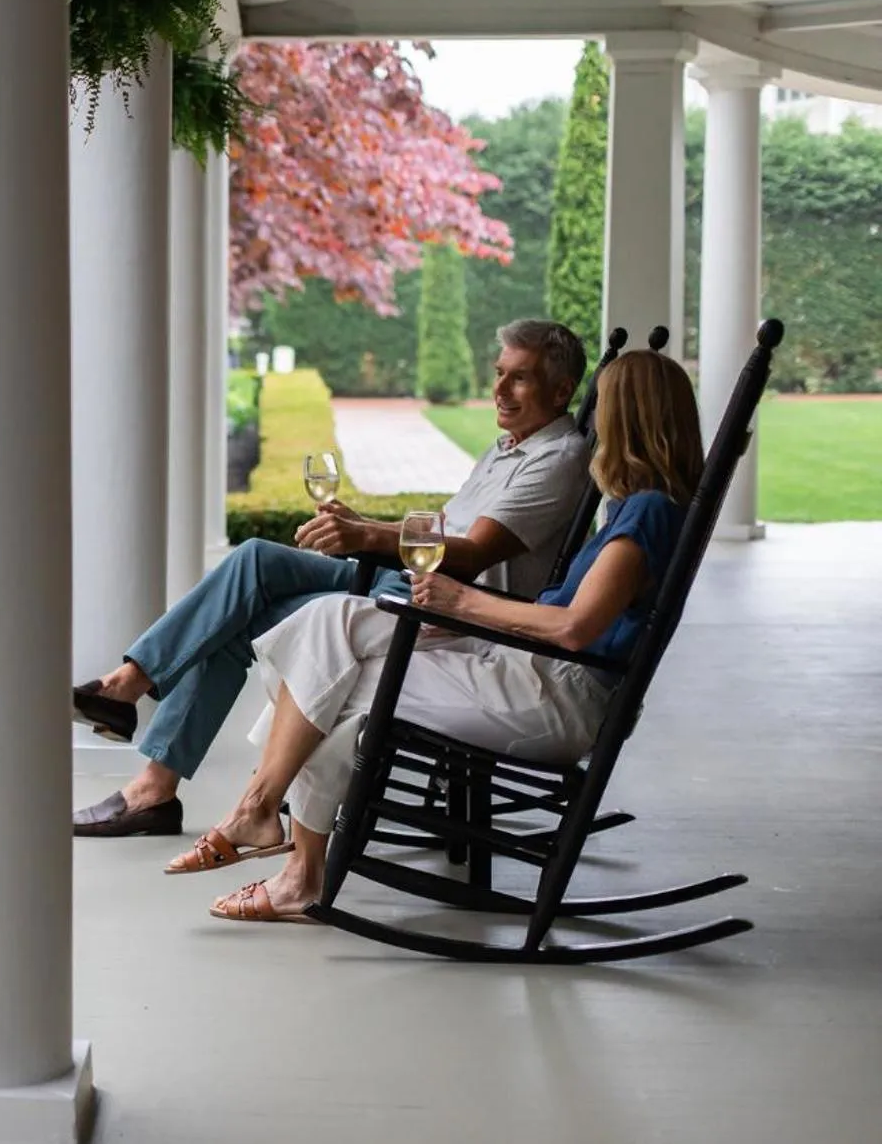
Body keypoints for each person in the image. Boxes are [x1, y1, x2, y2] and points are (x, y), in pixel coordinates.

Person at [202, 349, 700, 923]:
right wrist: (472, 617)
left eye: (603, 413)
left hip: (552, 698)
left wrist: (466, 603)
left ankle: (280, 841)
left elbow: (574, 627)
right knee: (328, 648)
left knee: (333, 679)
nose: (595, 431)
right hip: (530, 676)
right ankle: (275, 830)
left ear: (627, 419)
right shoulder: (639, 508)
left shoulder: (648, 514)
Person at [73, 320, 592, 849]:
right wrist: (363, 524)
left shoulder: (557, 460)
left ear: (560, 389)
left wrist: (366, 533)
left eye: (519, 379)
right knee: (255, 560)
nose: (500, 390)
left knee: (234, 622)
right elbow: (446, 526)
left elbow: (471, 555)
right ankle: (131, 685)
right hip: (406, 578)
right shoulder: (510, 447)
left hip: (436, 608)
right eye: (499, 373)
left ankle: (150, 777)